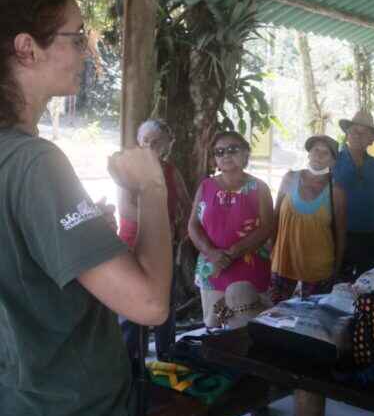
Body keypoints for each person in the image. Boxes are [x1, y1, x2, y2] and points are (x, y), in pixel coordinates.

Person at [0, 0, 172, 416]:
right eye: (77, 38)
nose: (89, 53)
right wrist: (152, 188)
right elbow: (150, 304)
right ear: (26, 48)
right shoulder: (35, 163)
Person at [118, 118, 191, 361]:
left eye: (157, 142)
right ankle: (130, 356)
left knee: (165, 301)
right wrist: (157, 222)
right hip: (131, 244)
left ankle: (167, 352)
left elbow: (185, 202)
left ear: (167, 145)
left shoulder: (170, 170)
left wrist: (182, 227)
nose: (150, 146)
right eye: (145, 140)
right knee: (132, 301)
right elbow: (126, 210)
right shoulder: (128, 170)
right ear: (138, 141)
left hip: (164, 247)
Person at [188, 131, 273, 328]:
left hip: (249, 268)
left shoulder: (259, 188)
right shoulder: (206, 186)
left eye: (232, 149)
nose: (225, 155)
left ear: (246, 153)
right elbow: (193, 225)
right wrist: (212, 253)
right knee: (214, 328)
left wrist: (233, 253)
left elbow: (267, 227)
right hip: (212, 268)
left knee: (247, 331)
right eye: (219, 151)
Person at [270, 135, 346, 303]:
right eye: (315, 150)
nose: (318, 155)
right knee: (275, 319)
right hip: (283, 263)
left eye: (325, 153)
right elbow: (275, 217)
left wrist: (336, 269)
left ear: (333, 161)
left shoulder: (336, 191)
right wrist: (271, 250)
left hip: (318, 270)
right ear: (309, 154)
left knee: (311, 322)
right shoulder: (289, 178)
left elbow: (341, 234)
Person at [334, 111, 374, 279]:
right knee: (339, 289)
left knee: (371, 288)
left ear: (371, 140)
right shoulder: (333, 162)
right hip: (340, 238)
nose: (358, 136)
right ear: (347, 134)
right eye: (354, 131)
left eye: (365, 133)